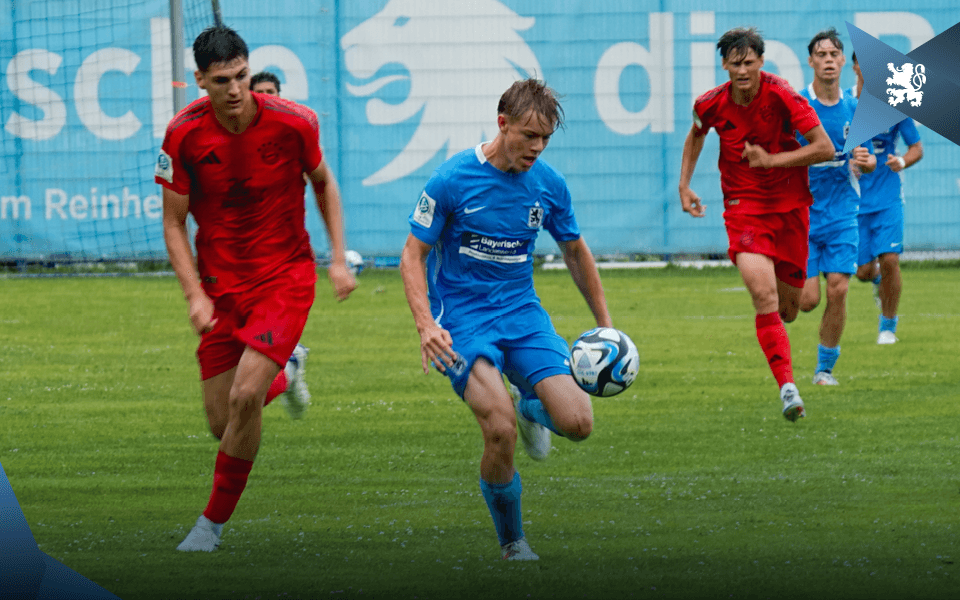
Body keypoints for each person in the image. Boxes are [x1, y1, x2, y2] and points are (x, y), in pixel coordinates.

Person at [156, 25, 356, 552]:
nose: (236, 89)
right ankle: (287, 372)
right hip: (221, 290)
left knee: (246, 396)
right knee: (223, 423)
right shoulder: (182, 135)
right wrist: (195, 294)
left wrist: (336, 259)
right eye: (222, 80)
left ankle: (209, 528)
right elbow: (173, 223)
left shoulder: (295, 122)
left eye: (242, 75)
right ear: (200, 80)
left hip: (284, 278)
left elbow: (324, 183)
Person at [399, 78, 612, 561]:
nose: (537, 148)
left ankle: (530, 404)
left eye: (545, 139)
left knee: (578, 423)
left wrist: (606, 324)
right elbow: (412, 255)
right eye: (529, 136)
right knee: (498, 429)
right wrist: (425, 324)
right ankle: (513, 543)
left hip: (522, 315)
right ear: (503, 124)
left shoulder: (549, 185)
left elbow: (575, 252)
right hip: (462, 322)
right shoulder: (452, 179)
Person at [678, 27, 834, 421]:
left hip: (791, 208)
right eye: (735, 63)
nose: (742, 70)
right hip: (743, 206)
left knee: (791, 309)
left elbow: (824, 147)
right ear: (725, 65)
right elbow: (696, 135)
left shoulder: (782, 94)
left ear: (761, 62)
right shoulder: (709, 103)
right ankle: (788, 388)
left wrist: (771, 160)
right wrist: (684, 184)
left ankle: (783, 352)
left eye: (749, 62)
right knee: (762, 296)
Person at [797, 29, 876, 385]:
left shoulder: (855, 109)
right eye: (821, 54)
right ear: (811, 61)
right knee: (807, 301)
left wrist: (865, 159)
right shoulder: (798, 107)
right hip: (803, 214)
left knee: (839, 289)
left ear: (843, 62)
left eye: (834, 54)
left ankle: (824, 369)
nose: (828, 60)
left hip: (844, 212)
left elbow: (869, 159)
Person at [850, 52, 923, 345]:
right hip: (853, 200)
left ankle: (888, 326)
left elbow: (916, 147)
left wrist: (902, 162)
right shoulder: (843, 104)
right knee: (863, 272)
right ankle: (876, 279)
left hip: (888, 196)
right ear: (855, 66)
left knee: (890, 258)